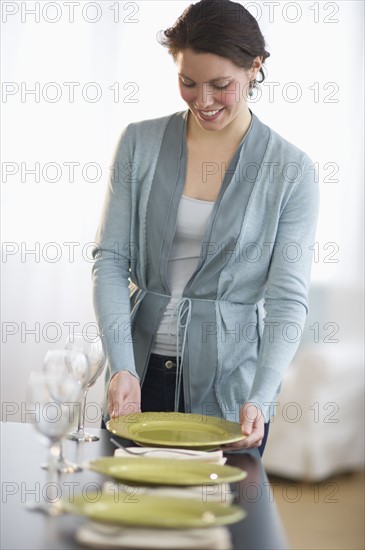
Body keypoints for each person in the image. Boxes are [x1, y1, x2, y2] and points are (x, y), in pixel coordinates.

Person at [92, 0, 319, 456]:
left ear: (254, 68)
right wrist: (121, 367)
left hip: (230, 389)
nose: (204, 100)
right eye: (188, 83)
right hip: (135, 376)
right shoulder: (139, 141)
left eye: (221, 85)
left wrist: (262, 393)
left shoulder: (292, 170)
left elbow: (287, 299)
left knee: (218, 520)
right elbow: (111, 260)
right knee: (128, 512)